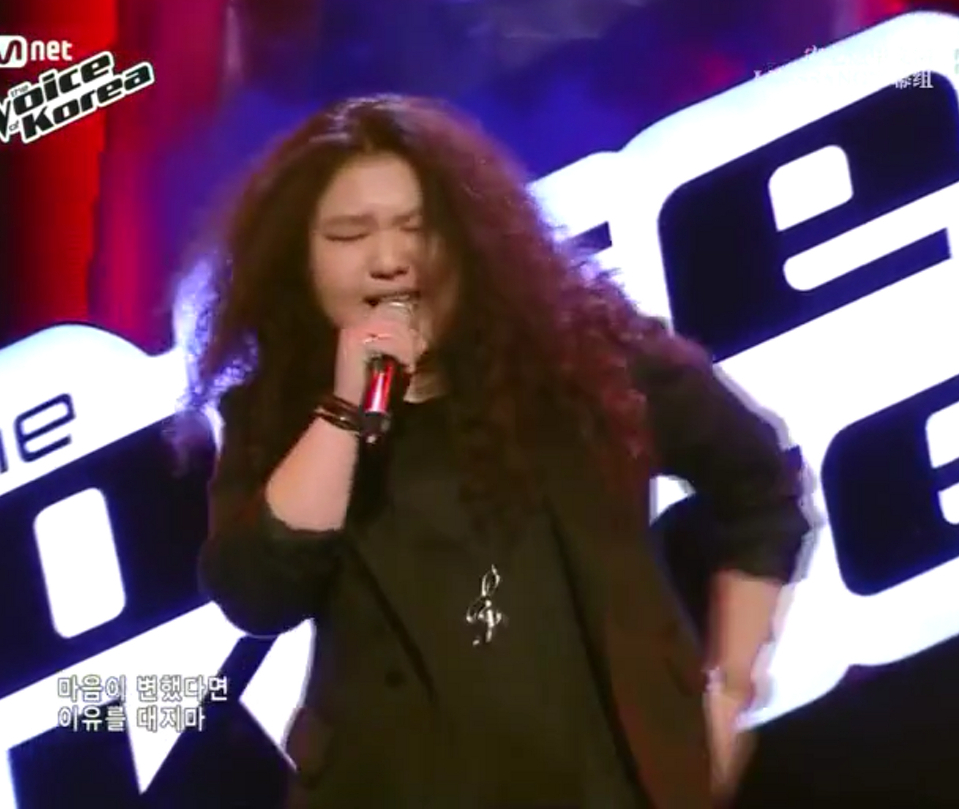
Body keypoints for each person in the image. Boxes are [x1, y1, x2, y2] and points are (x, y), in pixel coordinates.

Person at [188, 94, 810, 808]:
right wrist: (345, 414)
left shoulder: (594, 364)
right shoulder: (278, 414)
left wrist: (730, 686)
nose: (389, 260)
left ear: (472, 237)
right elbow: (256, 593)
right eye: (349, 234)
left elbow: (760, 490)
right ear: (300, 259)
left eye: (419, 228)